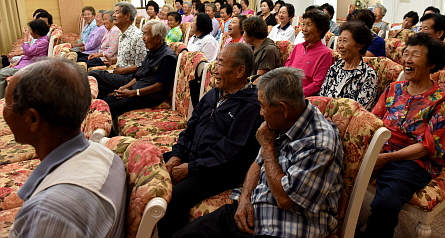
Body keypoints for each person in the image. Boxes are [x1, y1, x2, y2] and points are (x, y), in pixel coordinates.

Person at [172, 67, 344, 238]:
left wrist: (268, 146)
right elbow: (257, 162)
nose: (260, 113)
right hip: (255, 206)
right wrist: (245, 198)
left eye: (262, 106)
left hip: (288, 224)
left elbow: (285, 199)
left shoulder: (319, 144)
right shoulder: (284, 120)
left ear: (283, 109)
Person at [4, 59, 126, 238]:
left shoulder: (50, 213)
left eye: (6, 104)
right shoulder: (105, 153)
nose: (3, 112)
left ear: (32, 119)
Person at [157, 43, 264, 238]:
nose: (214, 68)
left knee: (174, 199)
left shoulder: (251, 105)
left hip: (218, 170)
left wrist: (191, 168)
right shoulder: (214, 93)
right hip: (194, 158)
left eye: (221, 63)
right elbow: (190, 128)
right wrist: (177, 156)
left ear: (240, 71)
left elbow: (229, 152)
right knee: (150, 168)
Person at [360, 33, 445, 238]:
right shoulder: (393, 88)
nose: (407, 60)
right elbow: (372, 122)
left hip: (414, 161)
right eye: (405, 54)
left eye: (416, 55)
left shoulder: (442, 98)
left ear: (432, 64)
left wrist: (386, 158)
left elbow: (429, 146)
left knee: (386, 202)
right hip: (381, 150)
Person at [98, 21, 177, 118]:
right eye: (143, 33)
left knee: (108, 109)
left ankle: (105, 131)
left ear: (157, 38)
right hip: (136, 91)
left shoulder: (167, 57)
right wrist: (125, 87)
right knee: (102, 104)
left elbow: (159, 86)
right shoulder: (152, 51)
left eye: (146, 34)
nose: (143, 38)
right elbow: (139, 75)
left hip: (148, 97)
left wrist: (132, 93)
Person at [319, 21, 378, 110]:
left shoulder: (368, 75)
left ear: (360, 45)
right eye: (340, 40)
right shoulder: (335, 67)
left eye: (345, 41)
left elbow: (361, 111)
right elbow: (322, 98)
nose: (340, 46)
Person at [89, 1, 147, 83]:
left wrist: (122, 71)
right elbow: (126, 57)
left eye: (117, 12)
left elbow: (143, 65)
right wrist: (112, 61)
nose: (113, 15)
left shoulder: (137, 36)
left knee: (93, 74)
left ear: (127, 16)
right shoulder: (122, 33)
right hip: (120, 73)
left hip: (130, 77)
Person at [285, 9, 332, 97]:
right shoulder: (298, 47)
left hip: (302, 98)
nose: (304, 29)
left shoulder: (325, 54)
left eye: (309, 25)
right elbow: (285, 71)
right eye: (303, 24)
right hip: (286, 92)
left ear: (320, 29)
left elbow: (318, 84)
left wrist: (296, 95)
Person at [0, 19, 50, 99]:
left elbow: (28, 51)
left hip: (30, 67)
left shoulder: (43, 42)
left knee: (1, 73)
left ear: (36, 31)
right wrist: (17, 62)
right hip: (25, 64)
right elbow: (28, 55)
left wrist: (25, 37)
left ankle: (2, 98)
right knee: (3, 71)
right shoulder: (40, 40)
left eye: (31, 30)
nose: (29, 32)